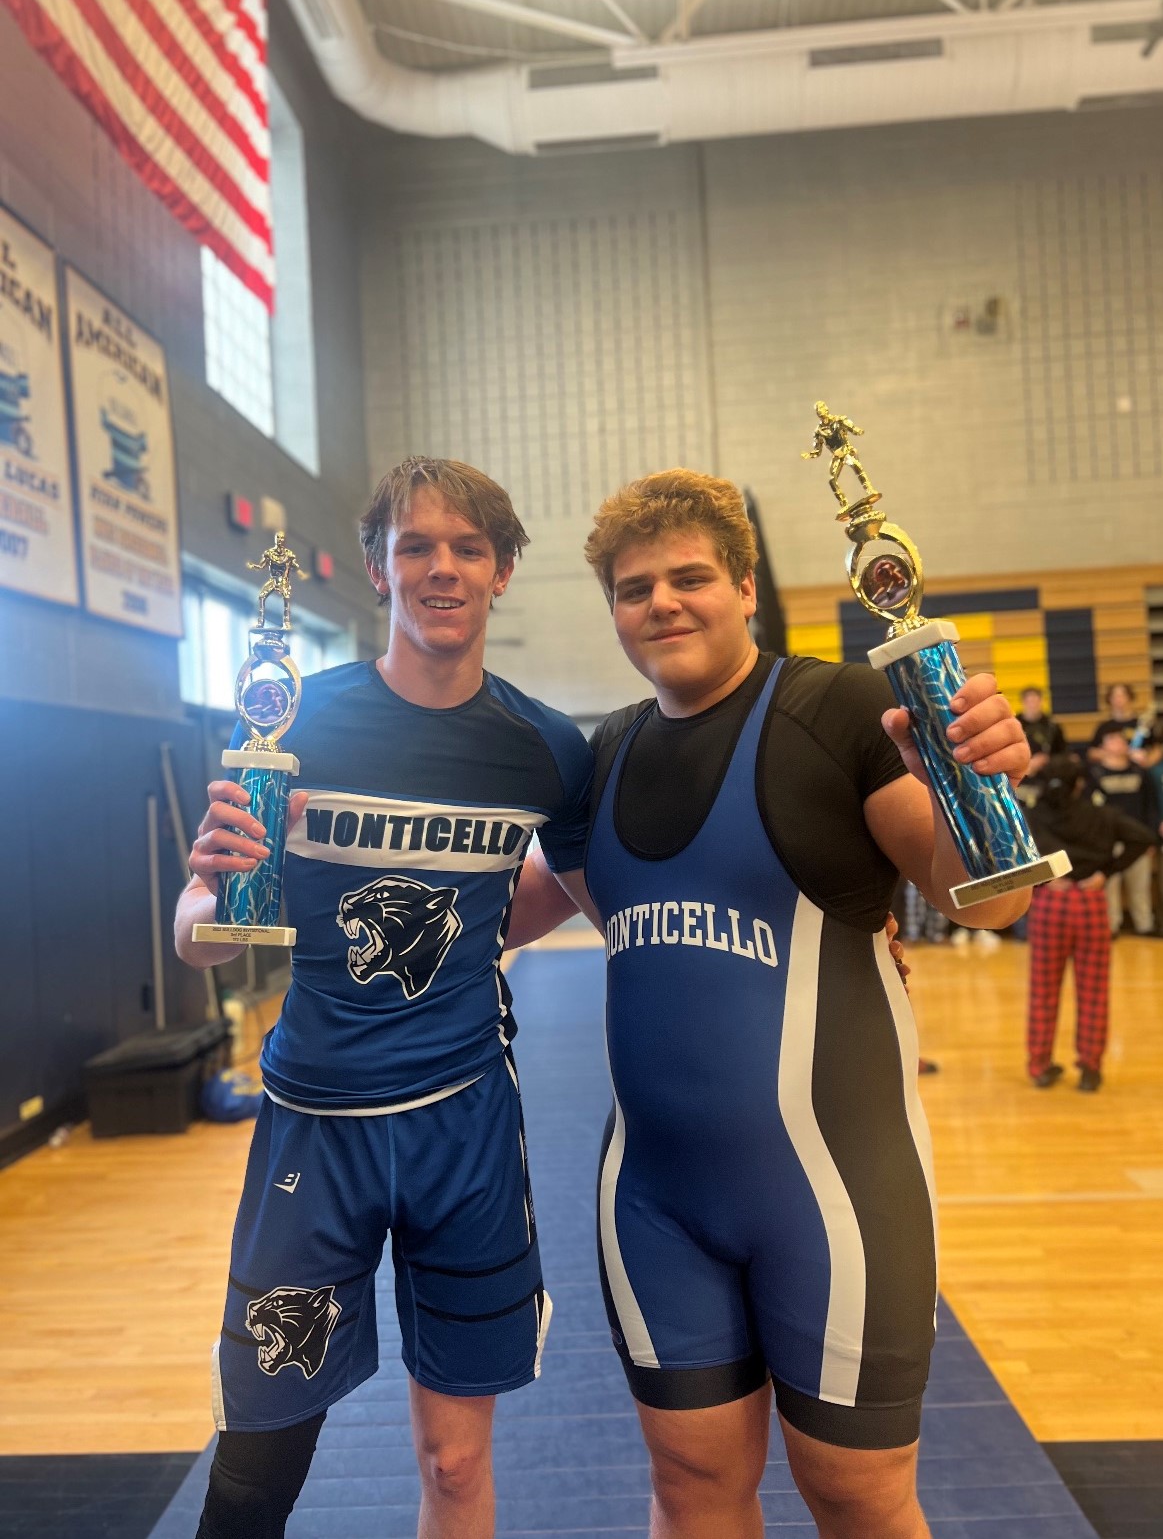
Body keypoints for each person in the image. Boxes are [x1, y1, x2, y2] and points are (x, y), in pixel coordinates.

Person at [508, 468, 1031, 1539]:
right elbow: (482, 918)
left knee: (856, 1491)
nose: (662, 601)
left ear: (745, 586)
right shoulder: (595, 759)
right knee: (692, 1484)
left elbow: (977, 898)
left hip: (834, 1191)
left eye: (689, 575)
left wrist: (984, 786)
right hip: (651, 1199)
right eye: (633, 586)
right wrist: (287, 871)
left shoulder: (831, 708)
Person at [175, 458, 594, 1539]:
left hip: (464, 1129)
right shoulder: (288, 723)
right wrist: (211, 884)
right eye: (415, 545)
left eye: (465, 547)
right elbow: (198, 938)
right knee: (259, 1458)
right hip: (314, 1130)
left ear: (501, 571)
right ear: (377, 569)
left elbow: (590, 885)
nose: (440, 567)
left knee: (455, 1462)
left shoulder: (544, 748)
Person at [1025, 755, 1155, 1091]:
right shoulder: (1101, 815)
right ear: (1080, 784)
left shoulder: (1033, 816)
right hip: (1090, 903)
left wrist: (1043, 878)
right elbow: (1143, 837)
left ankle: (1039, 1065)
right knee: (1093, 992)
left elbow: (1011, 854)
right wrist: (1106, 871)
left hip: (1050, 903)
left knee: (1043, 991)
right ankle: (1090, 1068)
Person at [1087, 729, 1160, 936]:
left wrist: (1151, 838)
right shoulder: (1094, 773)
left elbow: (1151, 807)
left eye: (1120, 739)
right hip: (1107, 841)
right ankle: (1111, 926)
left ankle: (1144, 925)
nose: (1118, 743)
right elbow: (1090, 810)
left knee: (1140, 884)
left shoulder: (1140, 772)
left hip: (1137, 840)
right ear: (1103, 747)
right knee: (1108, 885)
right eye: (1112, 739)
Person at [1086, 683, 1162, 770]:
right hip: (1111, 772)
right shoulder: (1104, 727)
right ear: (1109, 700)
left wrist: (1148, 762)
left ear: (1130, 697)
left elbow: (1157, 749)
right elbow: (1091, 752)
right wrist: (1118, 754)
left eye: (1122, 695)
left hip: (1140, 771)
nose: (1119, 699)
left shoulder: (1143, 725)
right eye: (1115, 696)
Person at [1015, 685, 1067, 807]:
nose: (1033, 705)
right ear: (1023, 702)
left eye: (1035, 700)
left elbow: (1062, 754)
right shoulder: (1014, 725)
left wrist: (1046, 760)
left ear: (1041, 701)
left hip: (1046, 777)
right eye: (1029, 701)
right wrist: (1027, 764)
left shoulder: (1052, 726)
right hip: (1020, 778)